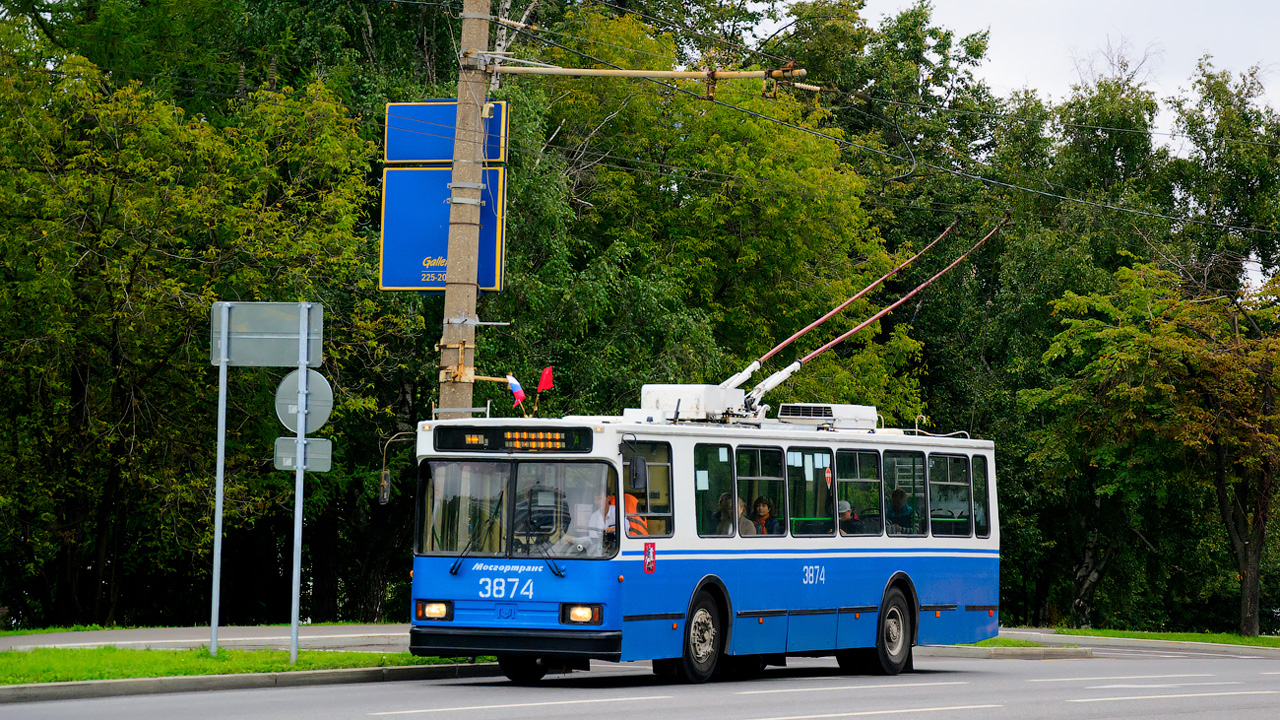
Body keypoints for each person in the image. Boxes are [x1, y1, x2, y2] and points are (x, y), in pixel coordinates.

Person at [586, 488, 617, 555]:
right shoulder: (594, 516)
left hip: (617, 549)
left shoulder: (617, 511)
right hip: (600, 550)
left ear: (609, 498)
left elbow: (626, 527)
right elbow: (592, 539)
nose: (597, 502)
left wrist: (613, 529)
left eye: (600, 499)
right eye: (595, 499)